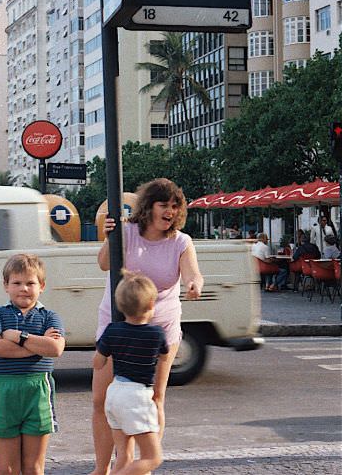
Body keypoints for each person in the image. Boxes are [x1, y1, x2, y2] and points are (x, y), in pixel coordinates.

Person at [91, 178, 203, 475]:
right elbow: (103, 264)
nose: (170, 211)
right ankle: (103, 468)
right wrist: (108, 238)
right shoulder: (128, 231)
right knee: (101, 399)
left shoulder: (181, 241)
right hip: (117, 322)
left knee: (154, 397)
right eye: (163, 205)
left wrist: (194, 284)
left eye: (175, 206)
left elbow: (193, 273)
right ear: (149, 207)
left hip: (159, 327)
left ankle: (141, 467)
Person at [0, 254, 65, 475]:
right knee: (7, 468)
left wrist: (17, 336)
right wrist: (38, 346)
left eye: (30, 283)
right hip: (4, 389)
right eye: (17, 283)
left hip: (38, 389)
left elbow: (55, 349)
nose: (23, 289)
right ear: (6, 286)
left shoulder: (50, 316)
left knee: (34, 468)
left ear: (42, 286)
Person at [93, 270, 167, 475]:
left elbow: (98, 363)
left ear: (120, 305)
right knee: (153, 457)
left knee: (124, 456)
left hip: (114, 392)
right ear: (152, 305)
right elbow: (164, 357)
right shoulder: (157, 334)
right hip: (137, 396)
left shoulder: (112, 330)